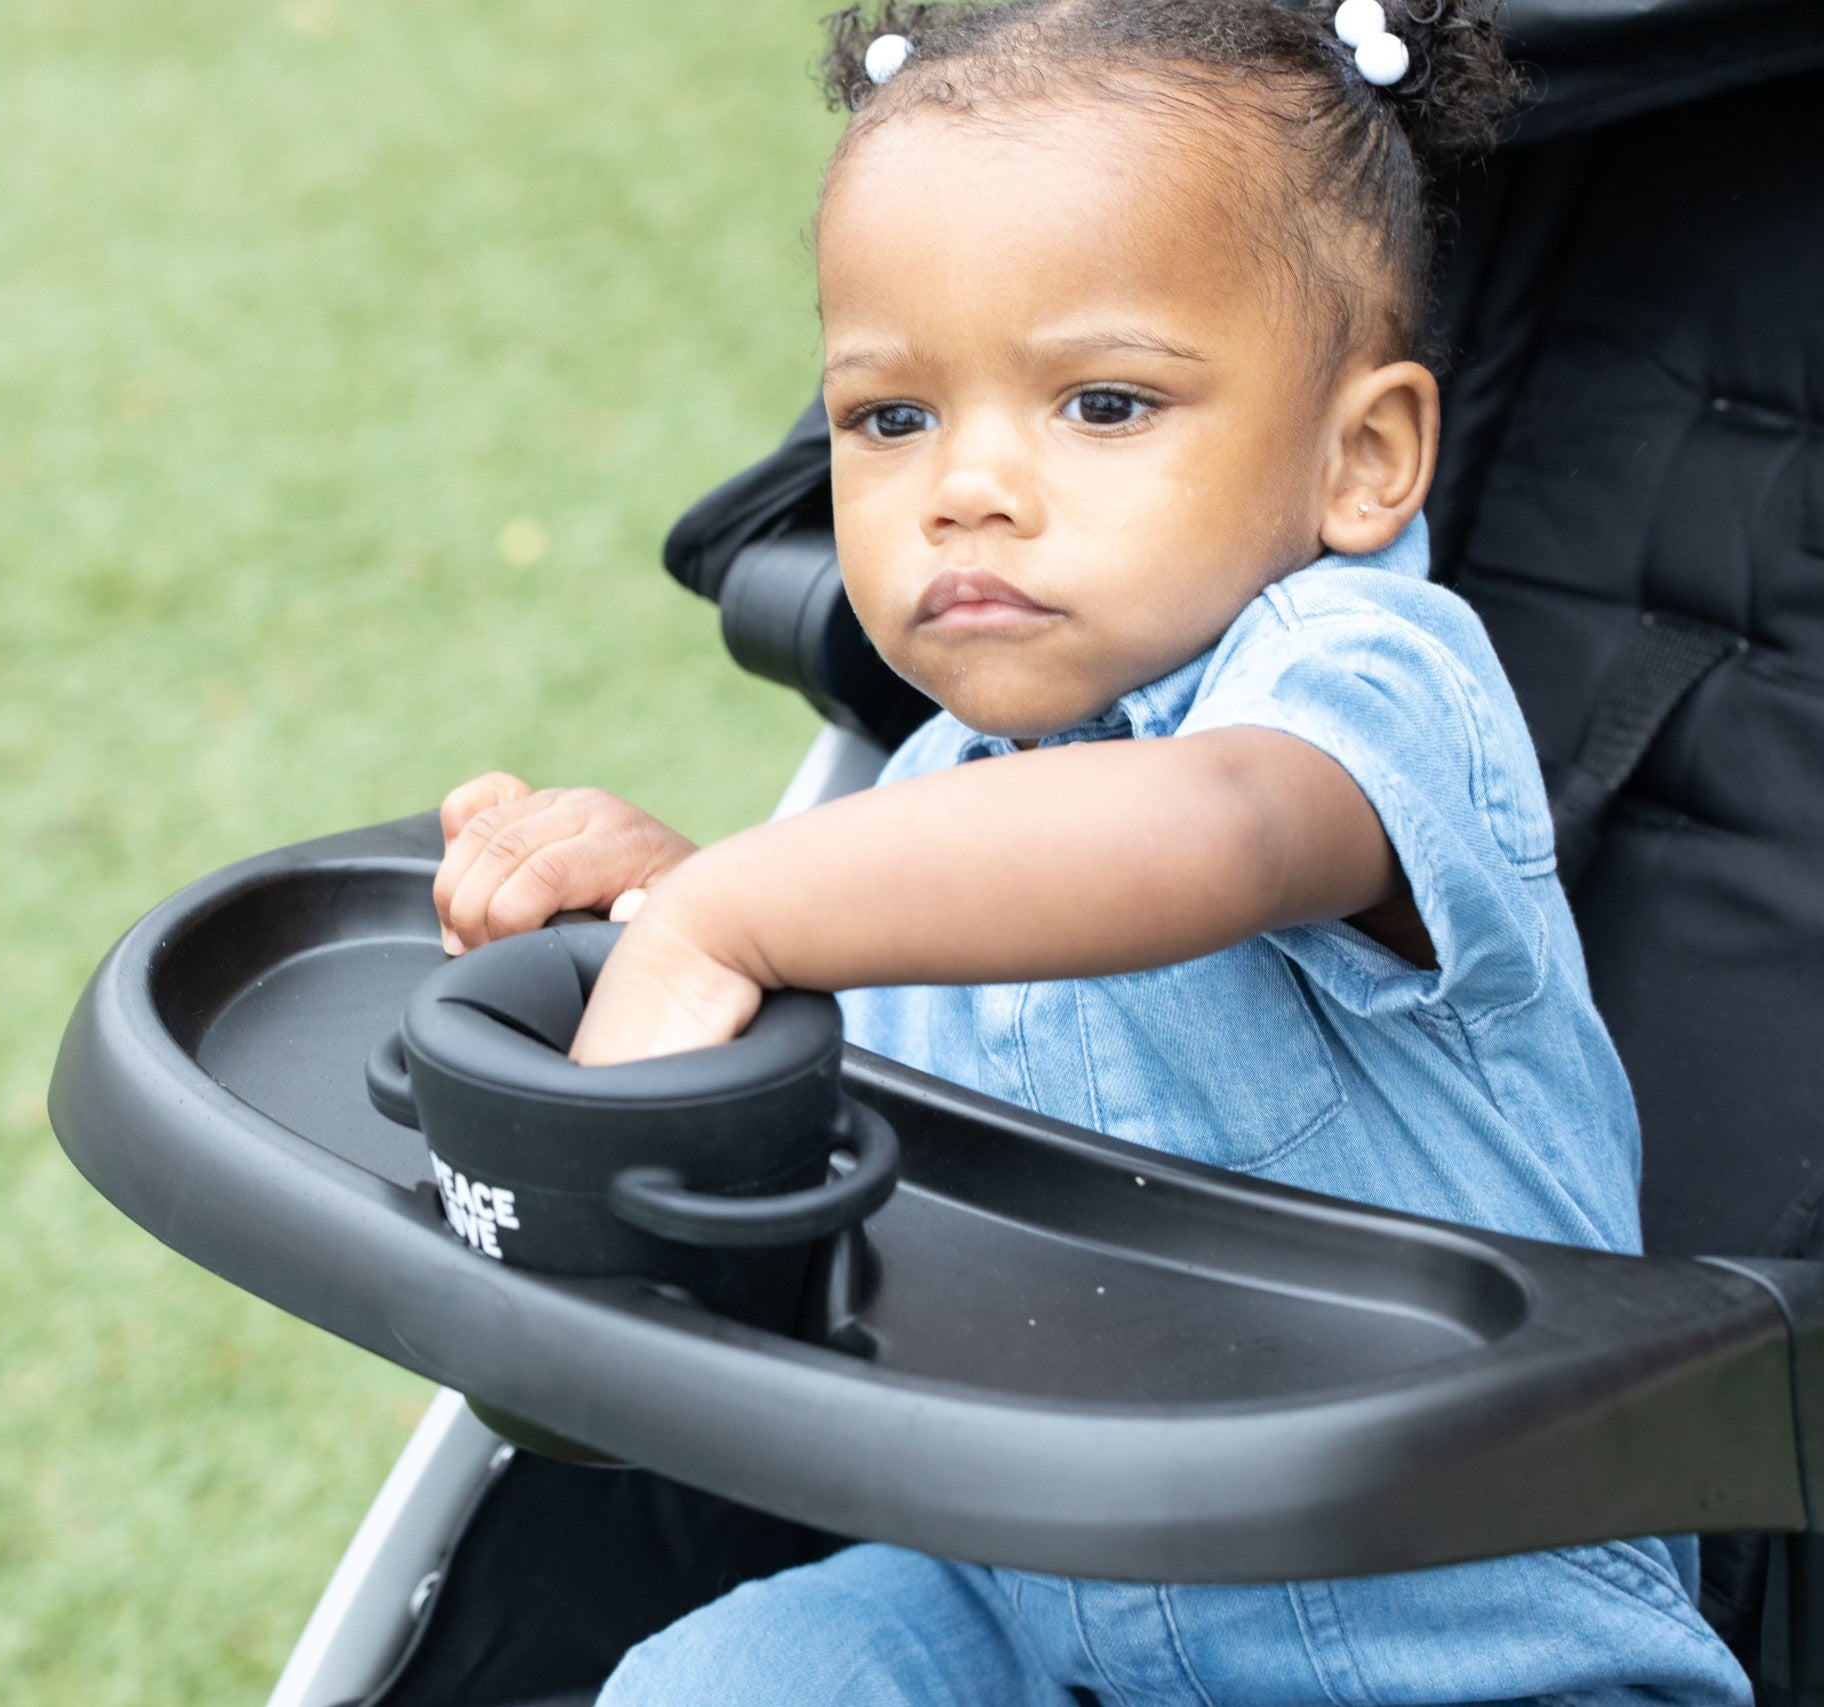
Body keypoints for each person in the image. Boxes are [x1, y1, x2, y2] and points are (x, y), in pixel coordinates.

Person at [428, 0, 1752, 1700]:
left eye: (1104, 402)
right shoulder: (940, 790)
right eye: (891, 419)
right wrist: (652, 906)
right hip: (1040, 1600)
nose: (966, 486)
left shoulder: (1365, 681)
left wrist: (743, 910)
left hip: (1464, 1638)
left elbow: (1210, 832)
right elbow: (882, 1028)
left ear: (1363, 459)